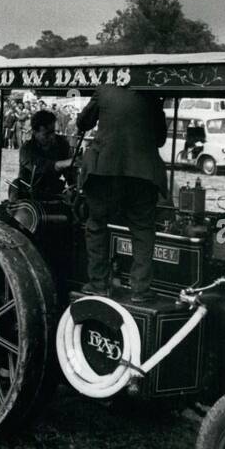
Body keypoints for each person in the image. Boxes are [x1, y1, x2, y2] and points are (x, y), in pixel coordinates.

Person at [74, 84, 169, 301]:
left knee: (97, 225)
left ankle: (99, 284)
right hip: (142, 172)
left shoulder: (104, 90)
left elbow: (83, 123)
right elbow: (160, 139)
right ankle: (140, 289)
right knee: (143, 229)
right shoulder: (152, 93)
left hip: (105, 170)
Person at [17, 109, 74, 198]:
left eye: (53, 132)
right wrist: (65, 163)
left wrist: (74, 186)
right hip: (28, 193)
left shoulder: (62, 144)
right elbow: (41, 166)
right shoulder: (26, 149)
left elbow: (70, 173)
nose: (52, 137)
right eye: (47, 134)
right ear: (35, 132)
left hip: (53, 190)